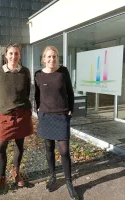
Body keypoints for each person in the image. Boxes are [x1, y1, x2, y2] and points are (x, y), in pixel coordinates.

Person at [0, 43, 33, 195]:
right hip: (5, 115)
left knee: (19, 145)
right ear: (6, 55)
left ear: (20, 56)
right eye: (11, 53)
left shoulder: (25, 72)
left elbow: (26, 92)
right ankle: (1, 179)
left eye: (17, 54)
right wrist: (5, 107)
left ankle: (16, 173)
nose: (14, 56)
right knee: (1, 147)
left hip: (22, 114)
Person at [34, 46, 79, 200]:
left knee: (65, 151)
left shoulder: (63, 72)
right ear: (44, 59)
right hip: (46, 116)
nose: (52, 59)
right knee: (49, 148)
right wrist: (38, 110)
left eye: (54, 56)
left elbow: (70, 93)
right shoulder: (38, 75)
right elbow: (37, 95)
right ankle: (53, 177)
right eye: (49, 57)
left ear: (57, 57)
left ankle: (69, 182)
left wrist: (71, 109)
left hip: (61, 115)